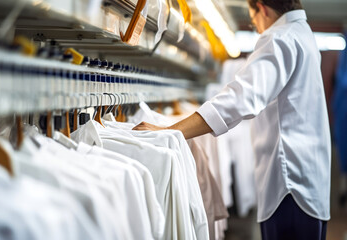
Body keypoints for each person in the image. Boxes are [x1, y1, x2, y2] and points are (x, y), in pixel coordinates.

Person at [133, 0, 331, 239]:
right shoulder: (303, 34)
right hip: (307, 182)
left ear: (263, 8)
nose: (256, 26)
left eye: (253, 18)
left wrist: (171, 130)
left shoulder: (279, 38)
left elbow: (241, 98)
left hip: (289, 190)